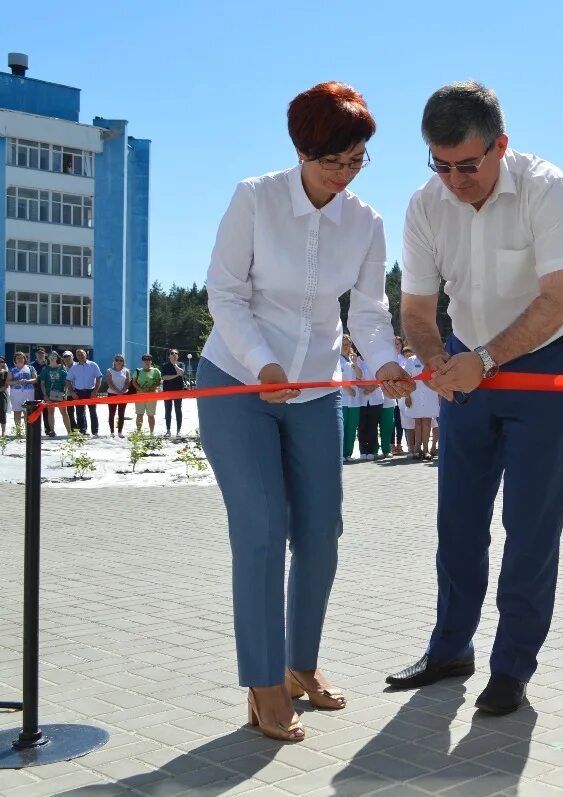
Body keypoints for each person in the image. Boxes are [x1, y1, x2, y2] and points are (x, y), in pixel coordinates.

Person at [198, 81, 412, 743]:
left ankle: (300, 663)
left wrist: (384, 362)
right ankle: (263, 682)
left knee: (321, 534)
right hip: (238, 383)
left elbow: (370, 314)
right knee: (262, 527)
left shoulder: (366, 224)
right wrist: (262, 362)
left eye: (356, 160)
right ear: (301, 150)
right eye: (332, 161)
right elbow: (225, 295)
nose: (344, 175)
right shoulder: (254, 199)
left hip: (317, 391)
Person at [389, 80, 563, 715]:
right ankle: (451, 649)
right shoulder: (425, 204)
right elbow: (418, 309)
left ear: (501, 145)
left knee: (530, 523)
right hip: (465, 360)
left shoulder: (547, 187)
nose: (454, 180)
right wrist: (437, 360)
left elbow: (558, 298)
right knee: (458, 520)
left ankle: (512, 666)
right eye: (440, 165)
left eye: (468, 165)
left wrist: (484, 360)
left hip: (544, 362)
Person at [66, 349, 104, 436]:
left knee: (93, 412)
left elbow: (99, 378)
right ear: (76, 356)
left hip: (91, 392)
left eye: (82, 354)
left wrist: (95, 391)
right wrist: (72, 392)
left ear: (86, 355)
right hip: (78, 392)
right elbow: (68, 380)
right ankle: (82, 431)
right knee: (79, 412)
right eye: (78, 355)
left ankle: (95, 431)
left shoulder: (93, 365)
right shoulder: (74, 368)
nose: (80, 356)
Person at [339, 336, 363, 463]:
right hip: (343, 398)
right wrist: (347, 389)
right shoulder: (336, 359)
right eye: (343, 344)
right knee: (342, 427)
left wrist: (355, 364)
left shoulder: (353, 358)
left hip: (354, 399)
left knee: (352, 427)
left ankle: (348, 452)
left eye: (347, 344)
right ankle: (340, 453)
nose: (345, 346)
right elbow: (335, 377)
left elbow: (360, 376)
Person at [38, 351, 72, 437]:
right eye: (50, 356)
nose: (52, 357)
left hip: (60, 393)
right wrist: (45, 395)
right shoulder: (45, 369)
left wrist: (65, 393)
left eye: (54, 356)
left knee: (64, 413)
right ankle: (52, 431)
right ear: (48, 358)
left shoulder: (62, 367)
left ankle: (69, 432)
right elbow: (42, 383)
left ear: (57, 357)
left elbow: (66, 382)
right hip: (49, 394)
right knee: (50, 412)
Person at [8, 352, 37, 435]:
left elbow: (35, 379)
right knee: (17, 412)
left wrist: (27, 381)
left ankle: (28, 431)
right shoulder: (12, 369)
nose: (20, 359)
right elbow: (8, 382)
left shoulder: (30, 368)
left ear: (24, 359)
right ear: (15, 360)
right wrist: (17, 381)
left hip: (29, 393)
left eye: (21, 358)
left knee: (27, 412)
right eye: (18, 358)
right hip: (16, 393)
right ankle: (18, 432)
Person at [132, 355, 162, 433]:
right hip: (140, 395)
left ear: (151, 361)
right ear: (142, 361)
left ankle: (151, 433)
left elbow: (159, 381)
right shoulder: (138, 371)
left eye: (149, 359)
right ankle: (138, 432)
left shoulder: (156, 371)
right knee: (139, 414)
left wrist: (151, 387)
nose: (147, 361)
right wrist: (141, 389)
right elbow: (134, 382)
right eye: (145, 359)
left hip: (152, 395)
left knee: (151, 415)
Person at [161, 349, 187, 438]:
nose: (174, 355)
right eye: (172, 353)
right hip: (167, 391)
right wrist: (176, 375)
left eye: (176, 353)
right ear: (169, 356)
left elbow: (182, 373)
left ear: (178, 356)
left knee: (178, 410)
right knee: (168, 411)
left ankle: (178, 431)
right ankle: (168, 430)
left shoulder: (181, 364)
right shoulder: (164, 365)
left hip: (179, 391)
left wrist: (174, 365)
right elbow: (164, 377)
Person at [106, 355, 131, 437]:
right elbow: (109, 382)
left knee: (121, 413)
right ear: (114, 361)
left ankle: (120, 432)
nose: (119, 361)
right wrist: (117, 391)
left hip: (124, 394)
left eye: (121, 360)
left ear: (123, 362)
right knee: (111, 413)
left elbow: (127, 383)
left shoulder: (126, 371)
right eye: (117, 360)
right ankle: (112, 432)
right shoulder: (109, 370)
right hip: (112, 394)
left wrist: (122, 391)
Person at [0, 355, 8, 437]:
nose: (0, 363)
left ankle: (3, 432)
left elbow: (7, 384)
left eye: (2, 361)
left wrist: (1, 389)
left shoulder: (5, 373)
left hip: (2, 394)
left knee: (2, 411)